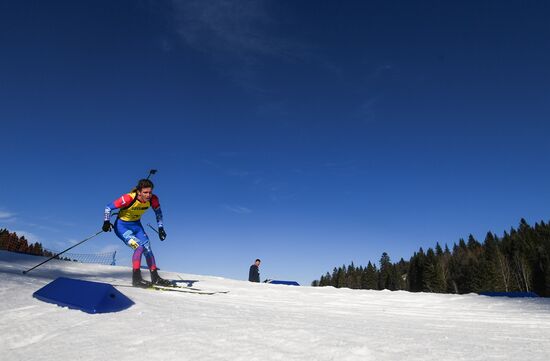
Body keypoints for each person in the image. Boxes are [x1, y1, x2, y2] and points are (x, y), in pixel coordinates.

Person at [103, 178, 172, 287]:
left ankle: (155, 278)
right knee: (139, 247)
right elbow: (108, 207)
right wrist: (106, 222)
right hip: (122, 227)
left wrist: (161, 228)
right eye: (145, 192)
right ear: (139, 192)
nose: (148, 195)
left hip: (137, 225)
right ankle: (136, 279)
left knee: (148, 248)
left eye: (150, 192)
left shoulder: (153, 199)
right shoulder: (128, 198)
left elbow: (158, 213)